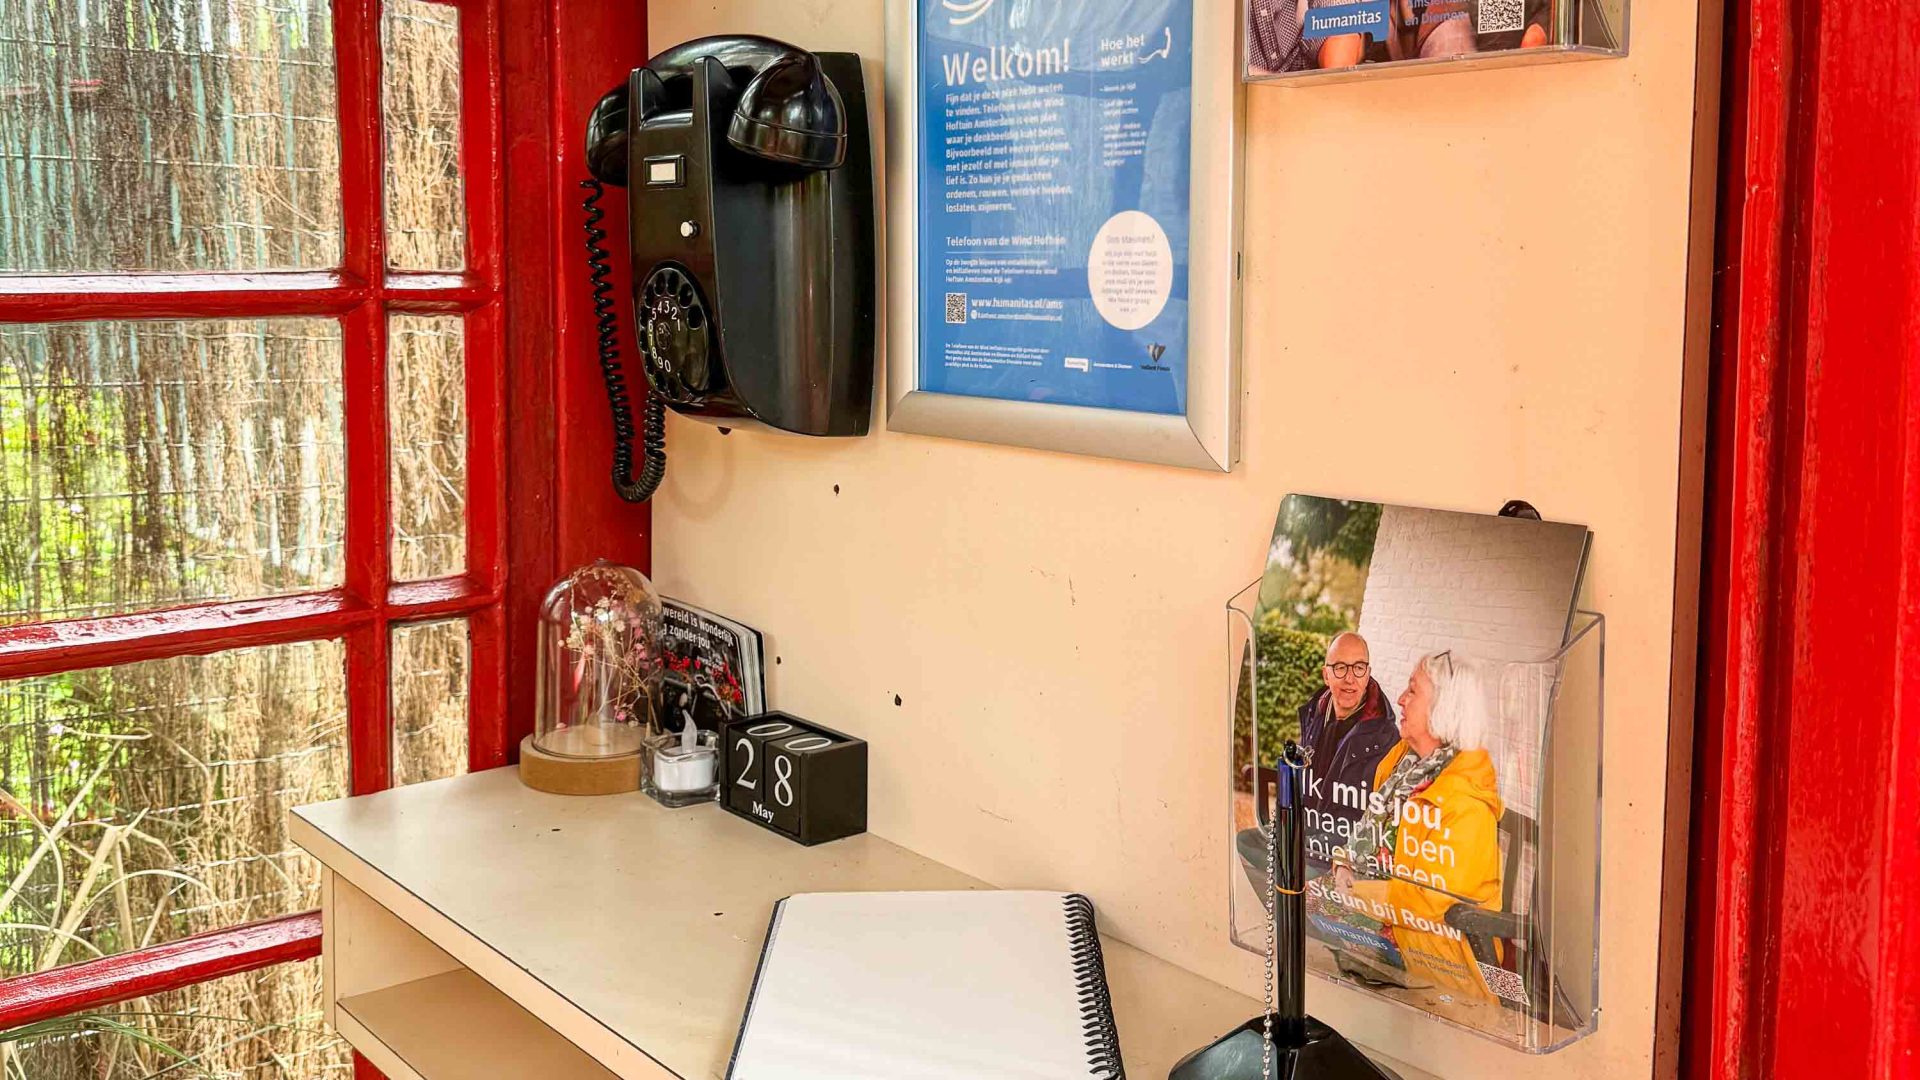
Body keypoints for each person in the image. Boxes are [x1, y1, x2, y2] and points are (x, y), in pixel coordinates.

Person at [1333, 651, 1505, 1004]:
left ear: (1444, 708)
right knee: (1295, 908)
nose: (1400, 699)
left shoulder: (1466, 803)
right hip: (1386, 919)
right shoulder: (1403, 762)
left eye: (1412, 691)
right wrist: (1343, 865)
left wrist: (1353, 893)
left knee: (1302, 924)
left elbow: (1431, 901)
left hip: (1433, 956)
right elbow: (1369, 832)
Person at [1296, 632, 1398, 873]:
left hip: (1339, 860)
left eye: (1359, 668)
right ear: (1326, 674)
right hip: (1303, 839)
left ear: (1368, 673)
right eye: (1340, 667)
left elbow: (1372, 824)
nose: (1350, 679)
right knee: (1247, 841)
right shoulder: (1314, 712)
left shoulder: (1386, 738)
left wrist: (1304, 846)